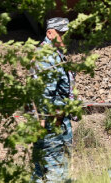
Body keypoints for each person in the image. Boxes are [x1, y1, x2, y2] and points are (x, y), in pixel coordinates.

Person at [32, 17, 74, 183]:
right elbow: (45, 92)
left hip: (52, 119)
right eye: (60, 34)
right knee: (54, 167)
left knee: (42, 166)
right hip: (52, 120)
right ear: (50, 33)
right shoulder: (47, 56)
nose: (64, 38)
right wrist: (47, 119)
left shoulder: (51, 54)